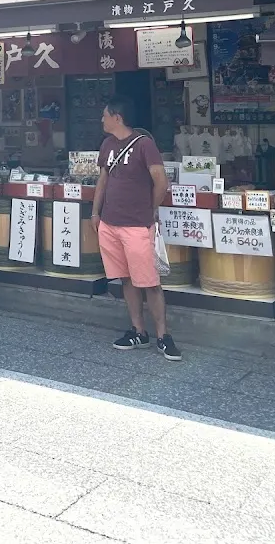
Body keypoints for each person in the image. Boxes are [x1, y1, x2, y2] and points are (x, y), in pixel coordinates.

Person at [91, 95, 181, 361]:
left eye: (104, 115)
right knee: (126, 278)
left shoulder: (145, 145)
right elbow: (102, 180)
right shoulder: (107, 144)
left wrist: (149, 210)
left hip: (137, 224)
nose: (101, 120)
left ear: (117, 117)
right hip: (110, 221)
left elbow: (160, 182)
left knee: (150, 281)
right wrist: (96, 213)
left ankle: (163, 335)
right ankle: (138, 330)